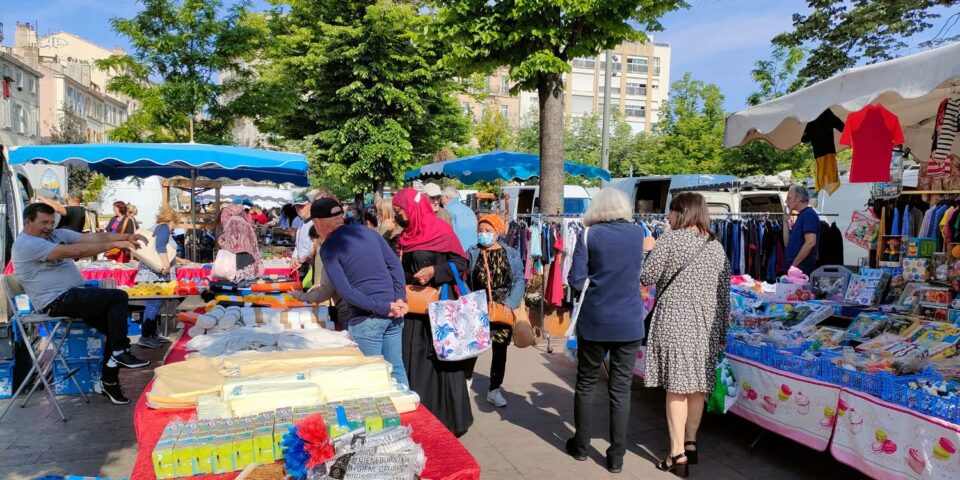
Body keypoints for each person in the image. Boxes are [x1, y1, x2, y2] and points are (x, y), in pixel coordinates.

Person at [12, 203, 151, 405]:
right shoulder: (27, 244)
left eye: (52, 222)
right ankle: (121, 352)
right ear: (28, 222)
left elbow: (92, 237)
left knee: (115, 329)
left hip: (73, 296)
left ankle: (108, 382)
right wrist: (115, 245)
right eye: (44, 222)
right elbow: (76, 251)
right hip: (56, 301)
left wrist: (125, 237)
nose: (49, 227)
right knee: (118, 297)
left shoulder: (54, 234)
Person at [641, 192, 731, 477]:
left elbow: (647, 276)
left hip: (675, 322)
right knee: (697, 387)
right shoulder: (716, 246)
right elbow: (724, 294)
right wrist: (721, 331)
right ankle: (690, 444)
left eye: (671, 212)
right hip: (707, 324)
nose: (668, 217)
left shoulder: (670, 238)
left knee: (677, 389)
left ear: (682, 213)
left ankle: (676, 453)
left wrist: (648, 250)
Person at [565, 188, 646, 474]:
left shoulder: (589, 234)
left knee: (586, 383)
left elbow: (575, 280)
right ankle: (616, 456)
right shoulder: (638, 233)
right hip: (629, 322)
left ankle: (581, 446)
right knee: (621, 389)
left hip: (595, 320)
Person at [392, 187, 473, 436]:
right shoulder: (404, 236)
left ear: (413, 209)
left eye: (400, 211)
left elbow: (461, 263)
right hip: (412, 314)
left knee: (441, 365)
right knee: (412, 365)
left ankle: (447, 421)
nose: (398, 216)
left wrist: (434, 272)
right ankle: (419, 421)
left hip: (438, 312)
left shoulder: (442, 232)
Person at [308, 198, 409, 386]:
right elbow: (395, 266)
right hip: (394, 312)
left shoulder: (329, 248)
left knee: (371, 378)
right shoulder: (368, 232)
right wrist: (399, 299)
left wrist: (384, 307)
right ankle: (408, 412)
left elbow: (346, 291)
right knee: (396, 370)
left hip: (368, 317)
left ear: (318, 223)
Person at [465, 214, 524, 407]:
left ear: (497, 232)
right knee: (473, 348)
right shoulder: (472, 252)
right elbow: (465, 278)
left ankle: (494, 389)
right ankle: (466, 381)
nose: (483, 235)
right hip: (478, 306)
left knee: (500, 351)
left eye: (488, 231)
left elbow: (518, 279)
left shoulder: (511, 253)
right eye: (480, 231)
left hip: (502, 308)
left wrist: (510, 303)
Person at [136, 207, 190, 349]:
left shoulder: (157, 227)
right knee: (154, 304)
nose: (174, 228)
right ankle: (145, 336)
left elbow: (161, 248)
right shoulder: (164, 227)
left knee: (156, 304)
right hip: (155, 273)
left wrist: (178, 260)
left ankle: (152, 333)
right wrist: (166, 265)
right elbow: (160, 246)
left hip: (150, 271)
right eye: (175, 224)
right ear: (172, 220)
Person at [217, 204, 263, 282]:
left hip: (234, 260)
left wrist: (221, 240)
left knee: (232, 287)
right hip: (249, 259)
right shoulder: (246, 223)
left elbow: (228, 243)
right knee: (247, 285)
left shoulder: (232, 222)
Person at [783, 184, 820, 275]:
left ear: (798, 199)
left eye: (789, 198)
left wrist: (794, 265)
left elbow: (810, 242)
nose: (786, 201)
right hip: (796, 270)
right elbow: (787, 244)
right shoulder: (802, 215)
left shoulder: (808, 215)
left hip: (801, 270)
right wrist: (785, 222)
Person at [441, 186, 478, 252]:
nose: (441, 201)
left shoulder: (447, 211)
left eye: (442, 199)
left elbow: (445, 234)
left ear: (447, 197)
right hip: (474, 251)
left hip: (458, 252)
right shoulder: (469, 209)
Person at [291, 202, 319, 282]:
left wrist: (302, 260)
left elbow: (314, 245)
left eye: (301, 206)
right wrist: (294, 257)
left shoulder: (314, 223)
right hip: (302, 264)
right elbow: (298, 243)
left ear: (310, 206)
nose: (298, 209)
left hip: (310, 263)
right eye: (296, 207)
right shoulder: (301, 222)